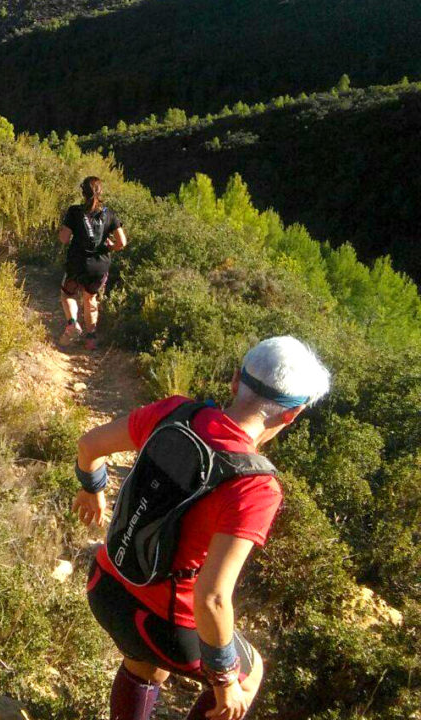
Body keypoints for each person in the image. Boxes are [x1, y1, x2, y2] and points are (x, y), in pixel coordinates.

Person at [73, 336, 331, 720]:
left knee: (145, 665)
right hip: (160, 624)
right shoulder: (255, 485)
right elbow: (212, 598)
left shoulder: (175, 411)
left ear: (234, 381)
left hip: (105, 588)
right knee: (248, 675)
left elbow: (89, 444)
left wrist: (92, 490)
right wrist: (224, 679)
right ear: (290, 415)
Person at [58, 176, 126, 349]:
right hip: (99, 266)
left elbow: (64, 239)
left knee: (68, 294)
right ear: (100, 192)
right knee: (91, 298)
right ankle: (91, 339)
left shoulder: (74, 211)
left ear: (82, 192)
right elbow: (122, 243)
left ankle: (72, 323)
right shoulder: (109, 213)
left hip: (77, 263)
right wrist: (110, 247)